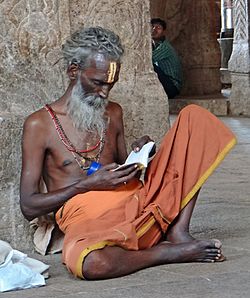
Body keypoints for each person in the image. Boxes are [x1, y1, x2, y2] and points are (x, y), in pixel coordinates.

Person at [20, 26, 236, 281]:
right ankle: (167, 253)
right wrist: (84, 186)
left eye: (111, 84)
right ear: (73, 71)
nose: (104, 93)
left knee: (195, 120)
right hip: (92, 221)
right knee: (92, 263)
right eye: (98, 83)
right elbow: (28, 205)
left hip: (139, 205)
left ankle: (178, 232)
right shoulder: (39, 124)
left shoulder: (113, 112)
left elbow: (128, 174)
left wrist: (141, 155)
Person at [151, 18, 183, 98]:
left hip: (172, 87)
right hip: (166, 84)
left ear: (163, 32)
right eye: (152, 27)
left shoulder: (164, 47)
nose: (154, 30)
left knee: (150, 66)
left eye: (158, 28)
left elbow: (147, 61)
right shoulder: (154, 45)